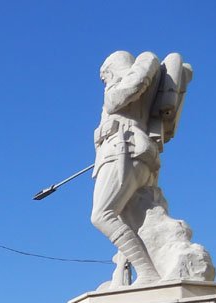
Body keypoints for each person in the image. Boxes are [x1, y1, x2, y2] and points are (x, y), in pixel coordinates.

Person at [90, 50, 190, 287]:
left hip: (123, 150)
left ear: (111, 69)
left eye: (104, 76)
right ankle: (124, 275)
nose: (105, 82)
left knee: (102, 215)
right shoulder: (145, 80)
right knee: (128, 216)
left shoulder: (130, 81)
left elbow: (114, 100)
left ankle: (147, 273)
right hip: (137, 152)